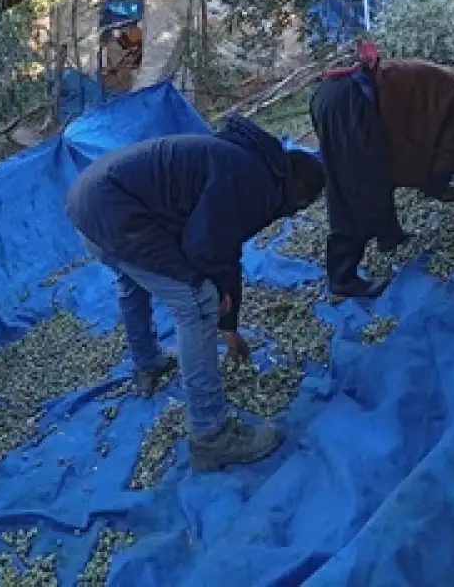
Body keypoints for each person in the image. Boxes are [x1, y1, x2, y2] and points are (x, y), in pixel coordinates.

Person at [65, 114, 325, 472]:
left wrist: (230, 325)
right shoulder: (257, 183)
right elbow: (206, 248)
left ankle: (149, 364)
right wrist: (216, 300)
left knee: (133, 280)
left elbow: (223, 243)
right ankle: (210, 434)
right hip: (115, 216)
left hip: (89, 205)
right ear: (297, 194)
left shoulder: (245, 158)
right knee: (197, 301)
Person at [310, 54, 454, 298]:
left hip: (332, 93)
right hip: (352, 103)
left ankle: (388, 235)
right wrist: (438, 185)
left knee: (372, 170)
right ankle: (343, 278)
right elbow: (450, 149)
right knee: (355, 189)